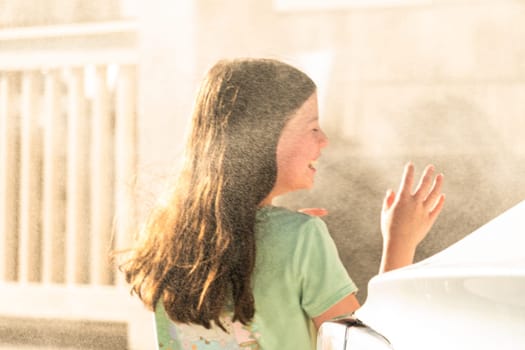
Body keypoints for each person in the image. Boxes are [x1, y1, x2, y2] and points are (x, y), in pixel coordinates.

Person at [120, 58, 445, 350]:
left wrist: (286, 236)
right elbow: (364, 347)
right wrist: (400, 243)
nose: (324, 141)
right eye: (313, 127)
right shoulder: (301, 238)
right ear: (264, 137)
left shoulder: (170, 236)